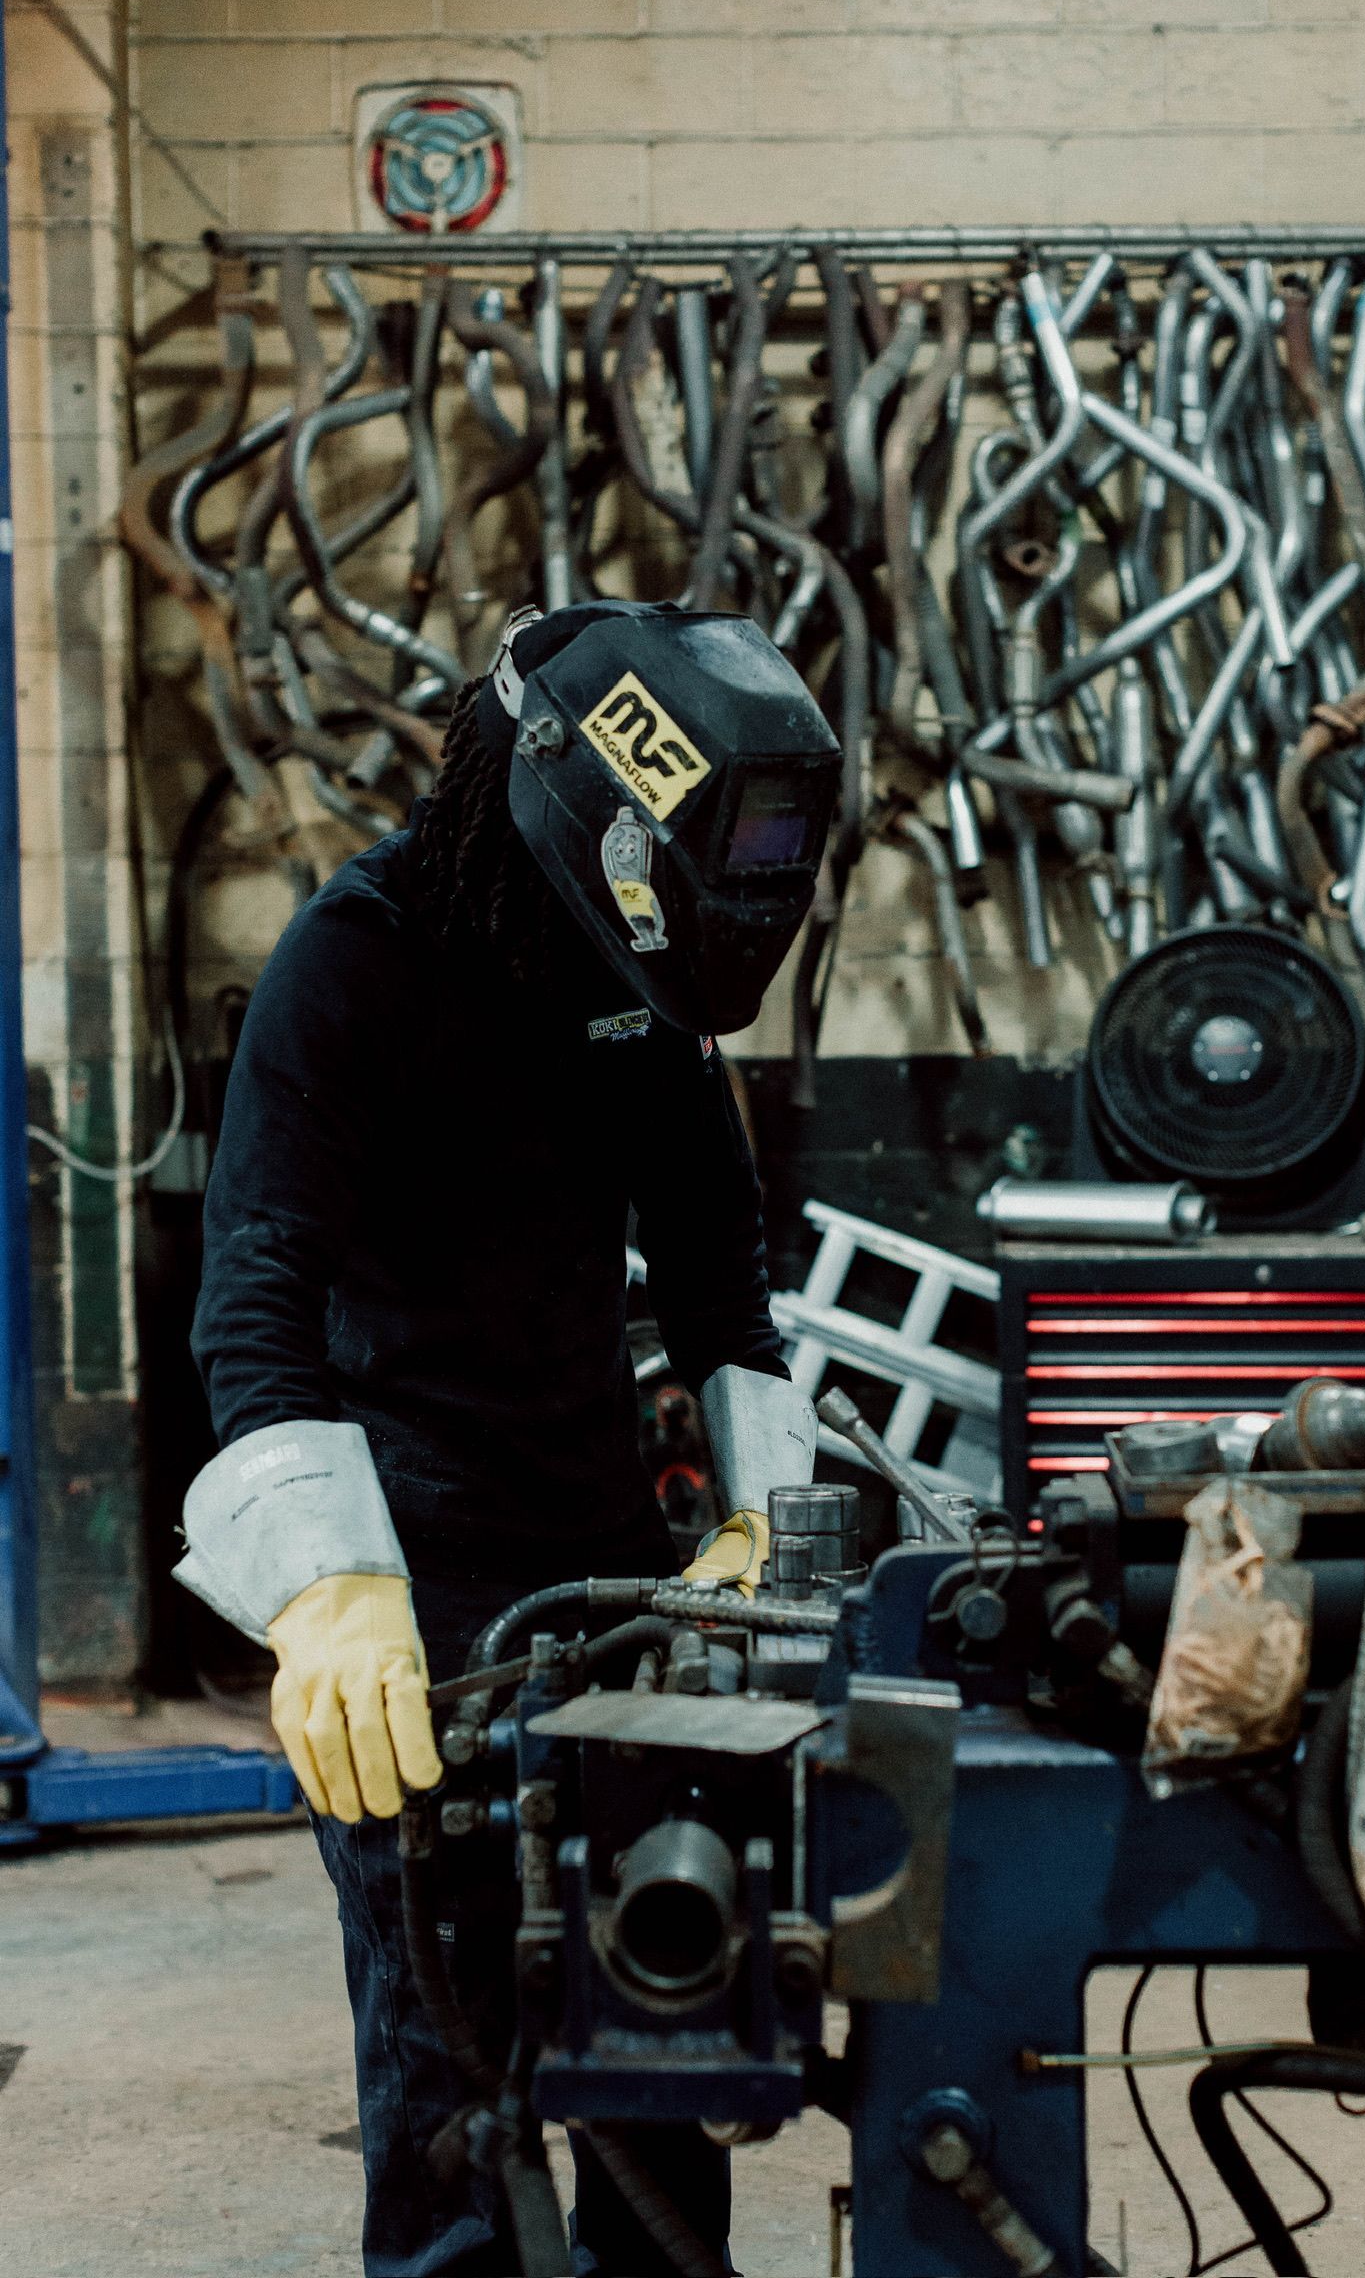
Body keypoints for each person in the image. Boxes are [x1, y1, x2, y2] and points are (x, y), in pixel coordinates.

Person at [174, 601, 841, 2276]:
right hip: (415, 1599)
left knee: (663, 2025)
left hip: (612, 1576)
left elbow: (721, 1287)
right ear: (571, 797)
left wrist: (761, 1524)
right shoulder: (359, 960)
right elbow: (255, 1289)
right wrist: (326, 1591)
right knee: (448, 2056)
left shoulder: (636, 987)